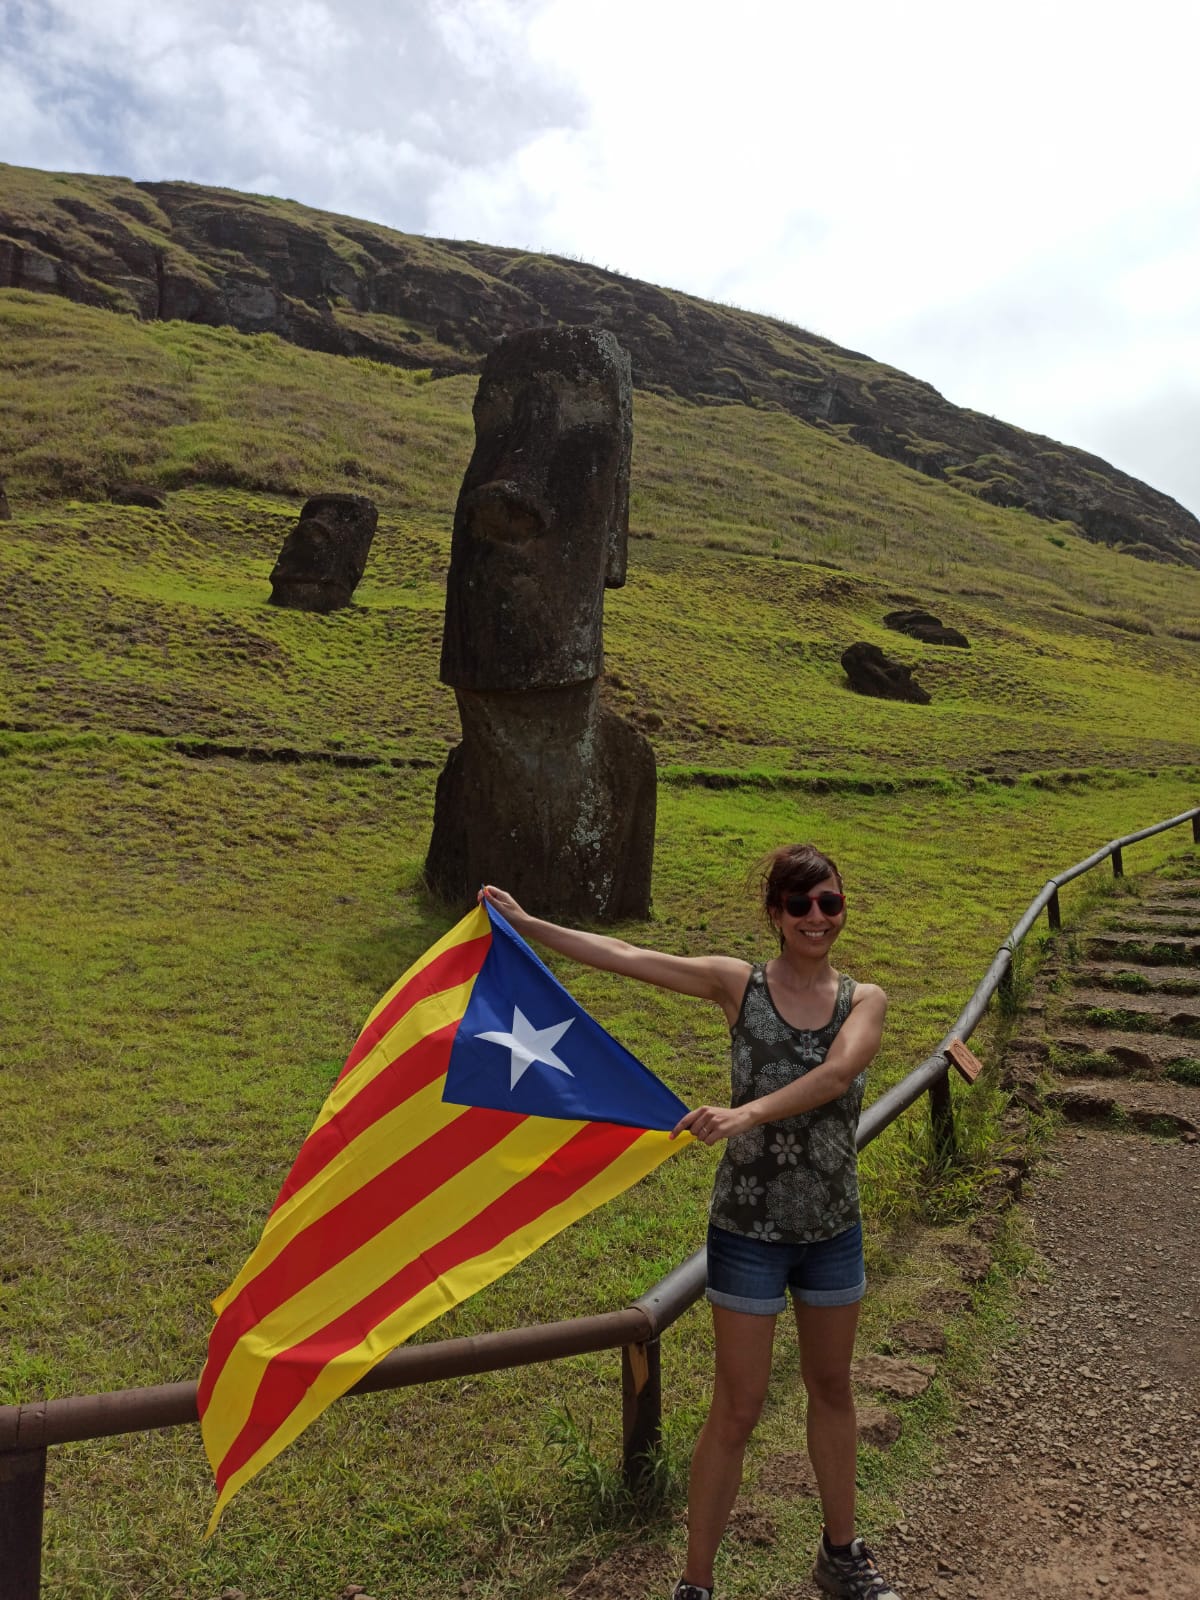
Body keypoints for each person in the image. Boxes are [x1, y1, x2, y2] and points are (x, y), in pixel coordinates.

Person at [480, 843, 901, 1600]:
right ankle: (696, 1584)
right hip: (747, 1231)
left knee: (832, 1386)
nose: (817, 918)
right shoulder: (738, 984)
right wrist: (530, 924)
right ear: (775, 914)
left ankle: (841, 1553)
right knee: (735, 1408)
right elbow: (628, 955)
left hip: (832, 1228)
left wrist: (748, 1112)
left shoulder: (863, 999)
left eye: (829, 904)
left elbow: (838, 1074)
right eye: (800, 905)